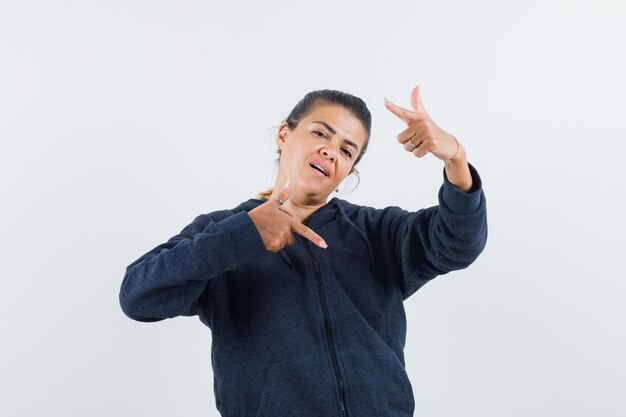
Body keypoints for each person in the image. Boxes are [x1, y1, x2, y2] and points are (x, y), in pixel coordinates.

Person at [119, 85, 488, 417]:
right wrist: (243, 234)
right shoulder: (222, 232)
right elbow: (139, 295)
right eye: (319, 133)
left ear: (348, 171)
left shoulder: (378, 233)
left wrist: (455, 157)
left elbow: (458, 242)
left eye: (347, 150)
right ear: (284, 134)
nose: (330, 150)